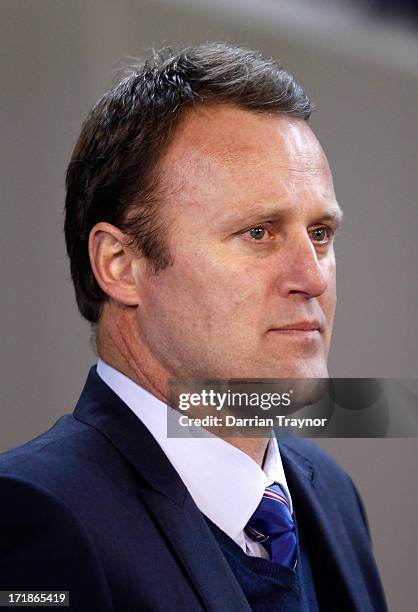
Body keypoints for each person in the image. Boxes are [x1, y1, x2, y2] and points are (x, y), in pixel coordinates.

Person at [0, 43, 387, 611]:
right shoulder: (34, 515)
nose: (312, 277)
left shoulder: (331, 494)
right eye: (258, 232)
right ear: (120, 265)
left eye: (321, 233)